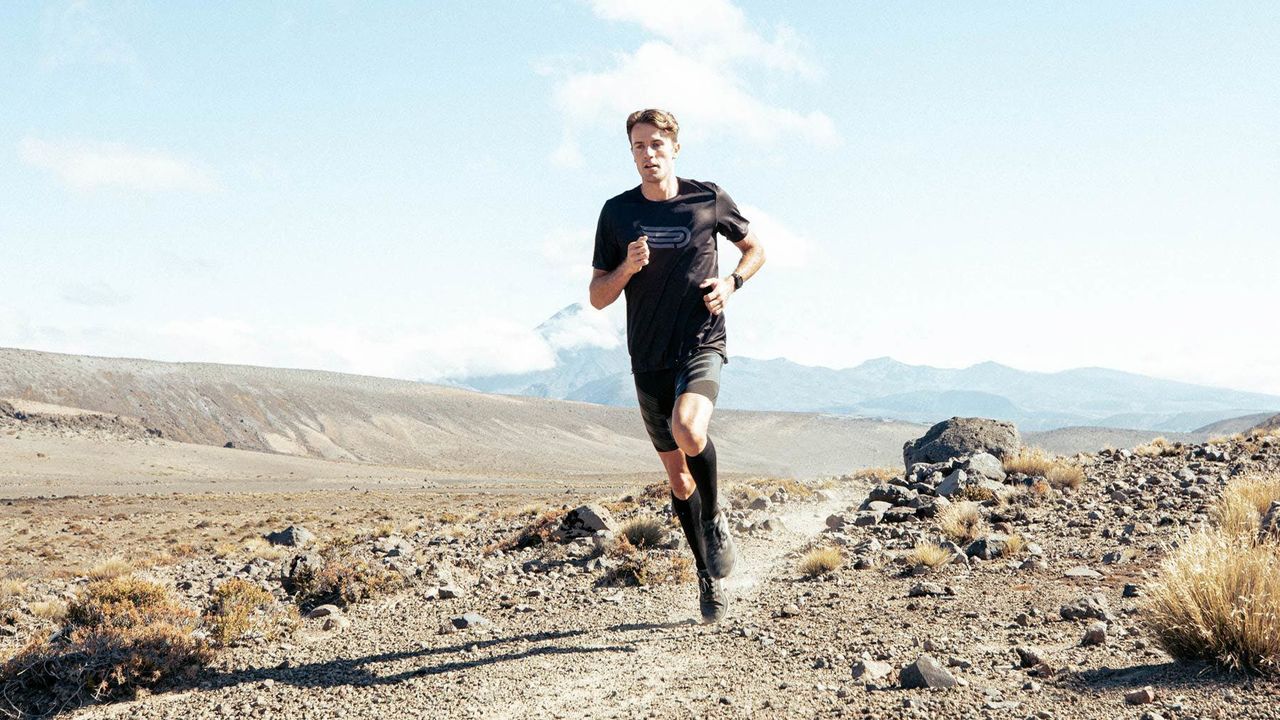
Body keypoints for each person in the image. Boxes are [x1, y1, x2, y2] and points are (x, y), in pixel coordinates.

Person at [588, 108, 766, 623]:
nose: (648, 155)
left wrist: (732, 283)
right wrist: (627, 266)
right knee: (679, 480)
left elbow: (754, 248)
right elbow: (598, 296)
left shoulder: (706, 198)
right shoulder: (616, 213)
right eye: (639, 147)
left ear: (675, 148)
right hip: (647, 358)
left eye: (657, 145)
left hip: (701, 341)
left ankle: (713, 518)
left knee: (689, 429)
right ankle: (708, 579)